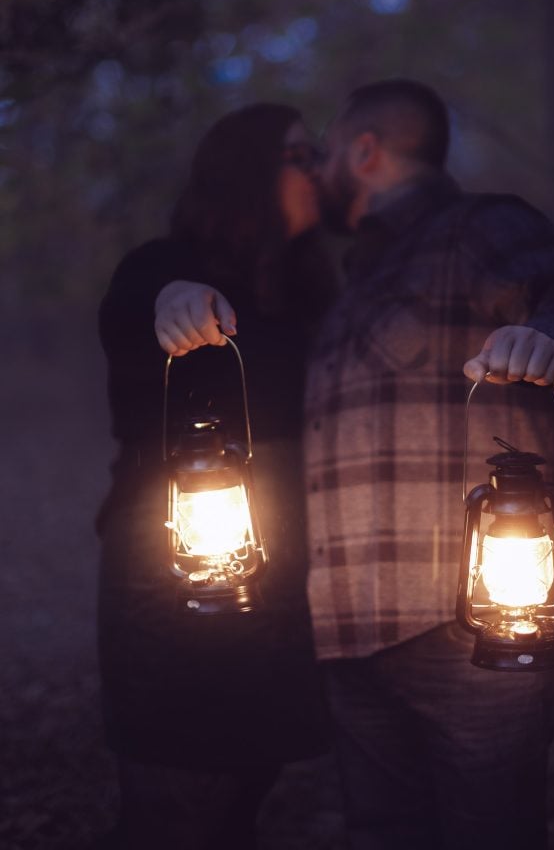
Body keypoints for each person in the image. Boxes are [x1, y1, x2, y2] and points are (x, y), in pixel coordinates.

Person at [152, 79, 554, 850]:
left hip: (465, 630)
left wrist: (553, 335)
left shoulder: (474, 229)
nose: (318, 168)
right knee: (383, 832)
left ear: (364, 152)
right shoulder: (350, 288)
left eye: (327, 151)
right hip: (347, 635)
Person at [97, 103, 337, 850]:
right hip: (173, 573)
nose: (315, 169)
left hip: (284, 575)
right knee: (176, 786)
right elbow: (143, 302)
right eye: (299, 155)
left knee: (245, 779)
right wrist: (175, 303)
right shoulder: (165, 268)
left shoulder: (309, 297)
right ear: (249, 174)